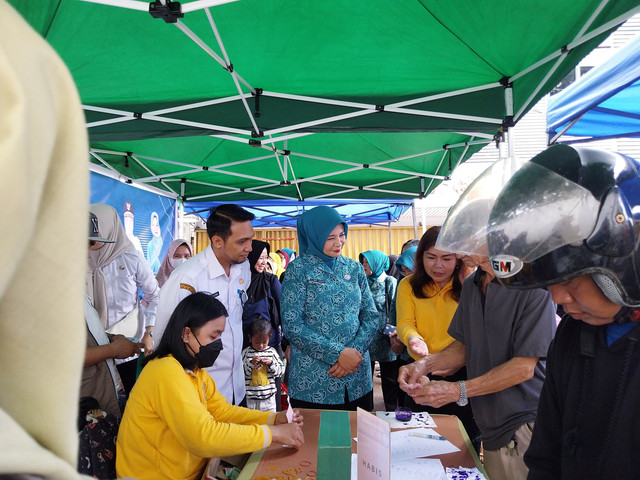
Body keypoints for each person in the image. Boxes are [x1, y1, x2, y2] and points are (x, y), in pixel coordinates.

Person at [450, 145, 640, 480]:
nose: (557, 296)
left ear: (622, 264)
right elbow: (546, 455)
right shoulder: (572, 335)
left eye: (569, 278)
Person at [398, 252, 556, 480]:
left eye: (462, 239)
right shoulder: (473, 283)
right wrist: (423, 365)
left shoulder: (531, 284)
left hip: (523, 425)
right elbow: (463, 345)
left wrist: (456, 390)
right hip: (489, 424)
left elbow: (523, 368)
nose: (458, 251)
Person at [116, 292, 304, 480]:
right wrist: (273, 434)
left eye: (220, 337)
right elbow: (202, 437)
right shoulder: (165, 372)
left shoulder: (195, 371)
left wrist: (273, 419)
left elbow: (223, 412)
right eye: (213, 336)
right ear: (186, 334)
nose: (219, 345)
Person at [281, 206, 379, 411]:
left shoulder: (353, 268)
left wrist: (353, 354)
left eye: (342, 235)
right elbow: (292, 325)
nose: (338, 243)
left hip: (356, 376)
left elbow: (371, 316)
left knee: (359, 438)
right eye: (329, 237)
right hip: (314, 379)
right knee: (314, 440)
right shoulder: (298, 270)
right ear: (314, 236)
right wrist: (338, 354)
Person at [155, 204, 255, 404]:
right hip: (198, 394)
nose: (250, 248)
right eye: (242, 241)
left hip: (236, 388)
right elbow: (164, 338)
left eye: (251, 239)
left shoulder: (243, 268)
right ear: (217, 240)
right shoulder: (188, 278)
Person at [395, 227, 480, 449]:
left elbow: (475, 332)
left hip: (462, 373)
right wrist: (412, 339)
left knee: (460, 442)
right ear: (420, 257)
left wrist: (454, 360)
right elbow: (405, 323)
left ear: (459, 259)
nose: (438, 265)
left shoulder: (470, 286)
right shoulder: (407, 285)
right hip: (420, 370)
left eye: (446, 258)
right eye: (431, 257)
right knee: (417, 440)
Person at [88, 203, 160, 394]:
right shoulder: (80, 258)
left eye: (98, 230)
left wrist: (149, 331)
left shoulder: (131, 258)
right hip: (92, 351)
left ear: (110, 228)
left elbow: (155, 295)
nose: (92, 241)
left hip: (128, 347)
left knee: (133, 400)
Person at [83, 212, 143, 422]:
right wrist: (113, 350)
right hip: (81, 400)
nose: (88, 256)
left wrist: (110, 338)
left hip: (99, 391)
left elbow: (84, 331)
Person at [359, 249, 403, 411]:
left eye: (367, 262)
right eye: (363, 262)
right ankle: (367, 410)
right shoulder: (362, 281)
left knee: (389, 379)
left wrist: (393, 335)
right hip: (367, 337)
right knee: (365, 380)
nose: (364, 265)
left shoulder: (389, 282)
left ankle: (392, 411)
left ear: (377, 263)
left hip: (385, 337)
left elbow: (394, 309)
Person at [242, 316, 285, 412]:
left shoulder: (272, 352)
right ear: (250, 337)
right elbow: (241, 374)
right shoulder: (246, 352)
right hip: (251, 400)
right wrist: (250, 364)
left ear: (270, 336)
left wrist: (270, 364)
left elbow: (281, 371)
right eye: (257, 342)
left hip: (269, 400)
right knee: (252, 423)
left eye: (264, 342)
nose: (260, 345)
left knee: (269, 422)